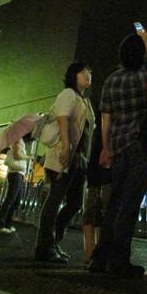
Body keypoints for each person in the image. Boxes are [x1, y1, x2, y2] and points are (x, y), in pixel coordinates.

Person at [89, 27, 147, 277]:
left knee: (114, 202)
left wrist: (105, 149)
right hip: (141, 147)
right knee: (130, 204)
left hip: (118, 148)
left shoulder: (112, 79)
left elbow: (105, 119)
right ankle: (119, 260)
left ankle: (100, 256)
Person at [33, 62, 94, 264]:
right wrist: (67, 147)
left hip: (79, 157)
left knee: (75, 202)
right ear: (74, 75)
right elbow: (62, 119)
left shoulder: (83, 100)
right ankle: (44, 247)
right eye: (84, 72)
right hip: (63, 153)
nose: (88, 74)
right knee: (55, 199)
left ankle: (53, 241)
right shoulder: (68, 94)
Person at [81, 121, 112, 267]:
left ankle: (90, 250)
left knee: (93, 206)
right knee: (105, 208)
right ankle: (97, 250)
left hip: (95, 164)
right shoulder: (109, 124)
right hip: (106, 165)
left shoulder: (97, 125)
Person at [0, 138, 31, 233]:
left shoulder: (21, 140)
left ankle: (7, 224)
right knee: (11, 199)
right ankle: (0, 224)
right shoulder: (18, 139)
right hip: (15, 173)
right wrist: (28, 157)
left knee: (16, 201)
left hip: (19, 174)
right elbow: (17, 155)